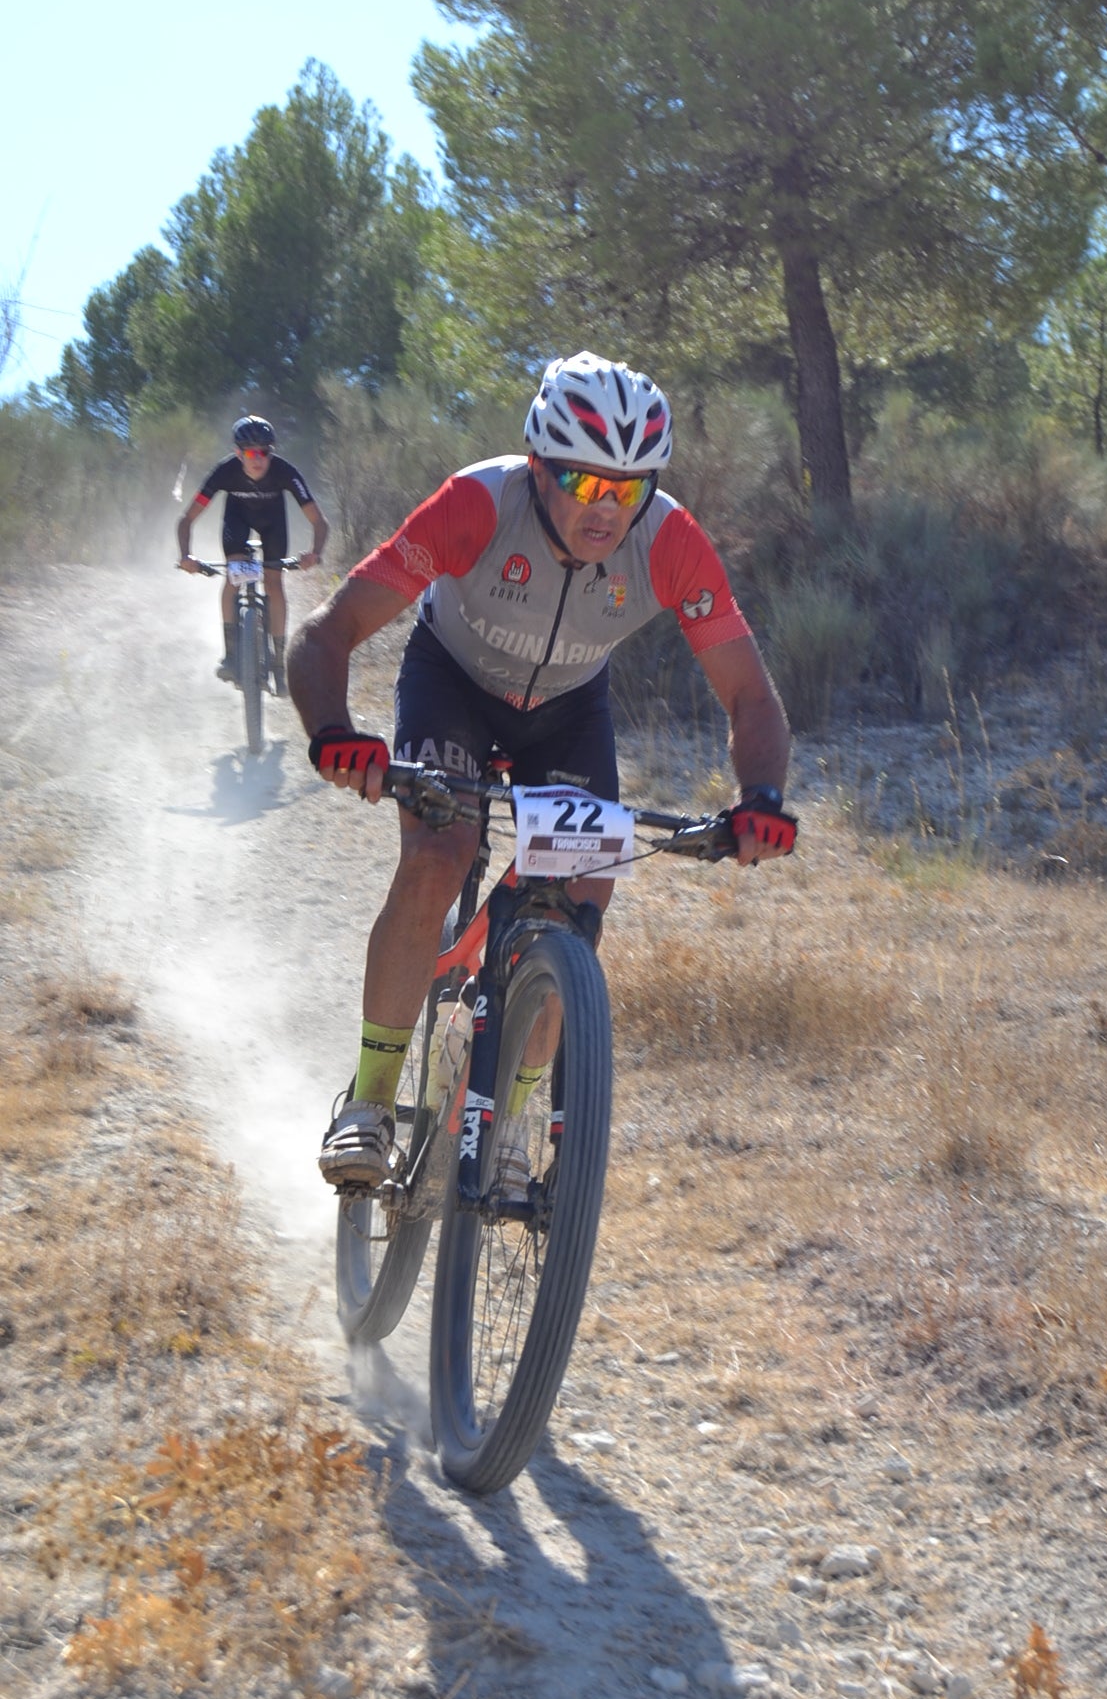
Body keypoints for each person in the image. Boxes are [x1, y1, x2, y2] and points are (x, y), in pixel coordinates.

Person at [288, 352, 796, 1189]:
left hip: (566, 710)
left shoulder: (669, 541)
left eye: (628, 489)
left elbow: (750, 694)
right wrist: (335, 731)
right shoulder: (477, 505)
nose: (608, 509)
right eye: (586, 484)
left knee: (578, 903)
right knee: (438, 856)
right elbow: (326, 631)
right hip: (451, 681)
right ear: (538, 467)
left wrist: (763, 799)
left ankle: (514, 1128)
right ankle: (369, 1103)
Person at [177, 416, 329, 691]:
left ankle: (278, 663)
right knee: (234, 577)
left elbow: (319, 521)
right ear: (238, 453)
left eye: (264, 452)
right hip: (237, 521)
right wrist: (186, 556)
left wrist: (314, 554)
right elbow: (187, 519)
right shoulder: (224, 472)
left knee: (273, 582)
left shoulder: (285, 472)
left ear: (271, 452)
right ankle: (231, 655)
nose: (257, 459)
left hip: (274, 524)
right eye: (249, 452)